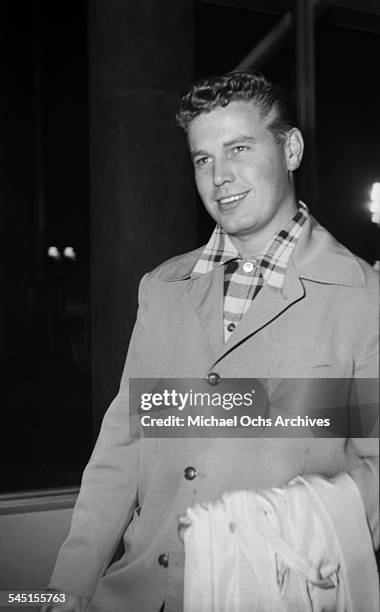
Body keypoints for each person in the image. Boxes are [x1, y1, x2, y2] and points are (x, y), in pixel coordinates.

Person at [43, 71, 379, 612]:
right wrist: (70, 585)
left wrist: (277, 526)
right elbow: (122, 450)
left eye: (239, 148)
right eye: (203, 158)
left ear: (290, 149)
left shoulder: (363, 299)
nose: (220, 176)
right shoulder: (162, 290)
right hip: (134, 597)